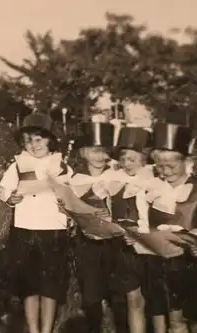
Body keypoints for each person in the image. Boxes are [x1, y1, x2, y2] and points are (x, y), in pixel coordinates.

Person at [0, 113, 71, 333]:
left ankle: (47, 329)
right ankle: (33, 329)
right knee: (29, 285)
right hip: (25, 229)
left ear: (50, 140)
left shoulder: (62, 167)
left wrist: (65, 201)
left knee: (50, 285)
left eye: (39, 139)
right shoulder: (19, 165)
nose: (33, 145)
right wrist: (10, 199)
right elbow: (3, 190)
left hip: (54, 229)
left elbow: (72, 195)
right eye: (28, 140)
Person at [144, 122, 197, 333]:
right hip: (163, 267)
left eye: (172, 165)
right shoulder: (152, 190)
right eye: (160, 166)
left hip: (195, 267)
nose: (166, 171)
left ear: (186, 162)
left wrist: (184, 237)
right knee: (175, 322)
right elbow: (144, 225)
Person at [68, 120, 129, 333]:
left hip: (117, 242)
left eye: (104, 152)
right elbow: (69, 210)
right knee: (91, 294)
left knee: (119, 294)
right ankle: (95, 328)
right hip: (88, 243)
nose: (100, 158)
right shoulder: (76, 179)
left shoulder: (117, 177)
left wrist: (113, 213)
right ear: (84, 153)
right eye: (95, 152)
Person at [106, 126, 154, 333]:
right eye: (123, 159)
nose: (126, 164)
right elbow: (109, 211)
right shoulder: (115, 181)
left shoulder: (151, 183)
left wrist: (140, 235)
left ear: (144, 160)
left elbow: (157, 218)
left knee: (144, 299)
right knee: (130, 297)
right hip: (122, 247)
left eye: (132, 160)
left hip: (147, 246)